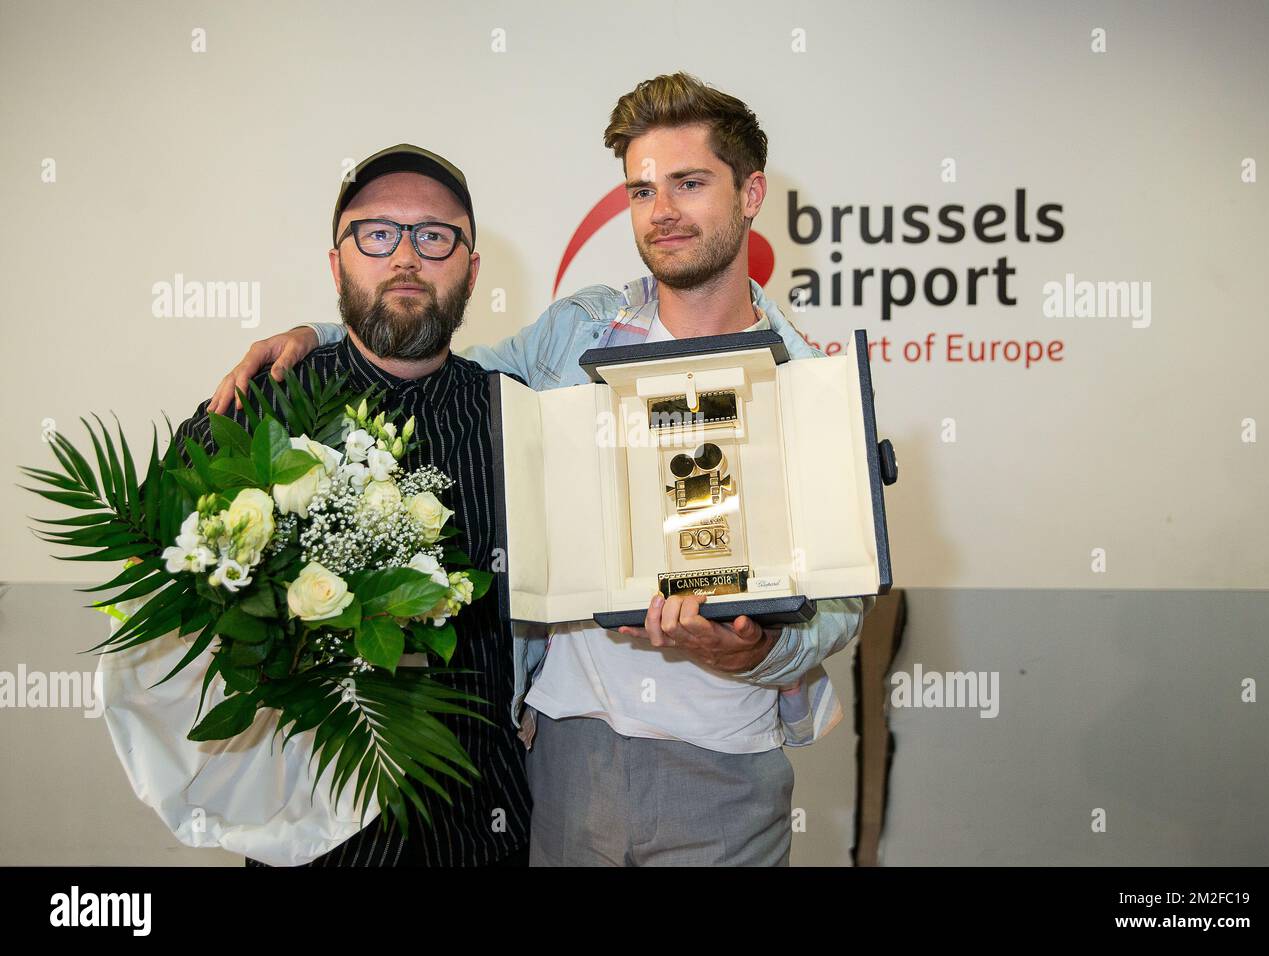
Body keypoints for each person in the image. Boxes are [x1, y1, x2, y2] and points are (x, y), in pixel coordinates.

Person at [208, 74, 872, 866]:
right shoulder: (575, 331)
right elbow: (436, 364)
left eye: (689, 184)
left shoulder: (804, 383)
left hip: (726, 767)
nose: (661, 211)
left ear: (751, 191)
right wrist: (317, 335)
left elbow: (843, 603)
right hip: (562, 757)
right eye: (641, 189)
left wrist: (756, 651)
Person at [172, 145, 531, 866]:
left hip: (482, 828)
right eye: (377, 233)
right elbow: (164, 560)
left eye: (434, 235)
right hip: (311, 836)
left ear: (470, 268)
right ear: (337, 264)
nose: (406, 256)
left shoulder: (520, 421)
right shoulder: (260, 406)